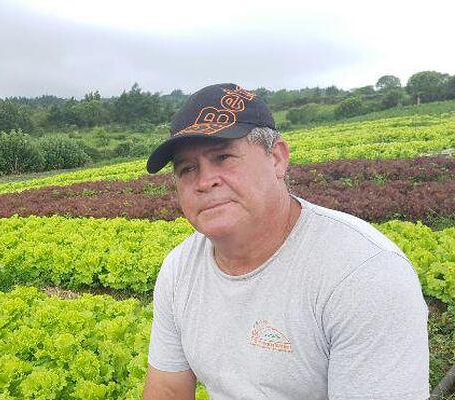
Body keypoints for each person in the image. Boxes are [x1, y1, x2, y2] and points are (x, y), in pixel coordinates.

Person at [142, 83, 429, 400]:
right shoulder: (179, 269)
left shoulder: (364, 273)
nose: (204, 181)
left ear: (277, 159)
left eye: (223, 157)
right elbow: (168, 390)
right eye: (187, 169)